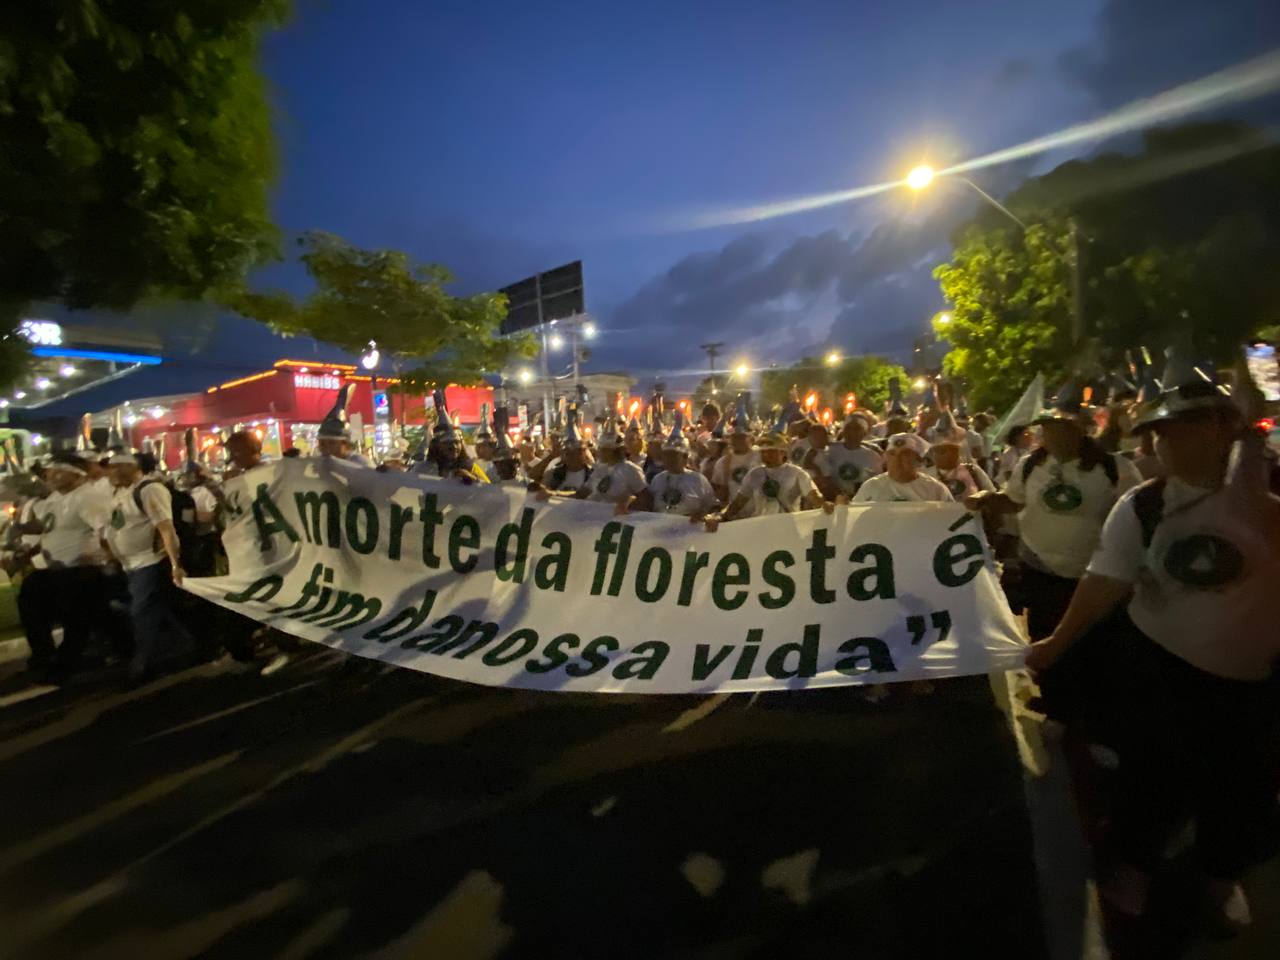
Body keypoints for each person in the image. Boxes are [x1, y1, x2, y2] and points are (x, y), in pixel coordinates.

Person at [1025, 356, 1280, 933]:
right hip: (1161, 671)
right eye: (1159, 431)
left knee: (1241, 790)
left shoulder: (1268, 497)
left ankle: (1220, 879)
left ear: (1223, 427)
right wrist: (1053, 645)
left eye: (1184, 427)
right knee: (1151, 778)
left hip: (1252, 682)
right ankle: (1133, 869)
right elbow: (1102, 586)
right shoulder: (1143, 507)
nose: (1168, 441)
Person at [966, 381, 1141, 643]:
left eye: (1060, 429)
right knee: (1044, 641)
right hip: (1041, 574)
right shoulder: (1030, 465)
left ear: (1080, 431)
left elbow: (1136, 518)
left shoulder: (1116, 469)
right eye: (1047, 430)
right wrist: (988, 498)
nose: (1052, 436)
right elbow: (1013, 501)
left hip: (1094, 577)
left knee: (1094, 644)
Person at [14, 454, 116, 681]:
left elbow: (106, 530)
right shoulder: (54, 499)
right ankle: (44, 654)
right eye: (49, 471)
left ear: (75, 473)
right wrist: (25, 547)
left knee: (76, 615)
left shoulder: (88, 497)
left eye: (56, 470)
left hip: (82, 569)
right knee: (29, 598)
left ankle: (66, 663)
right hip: (55, 569)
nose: (49, 475)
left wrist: (108, 558)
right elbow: (49, 530)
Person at [102, 450, 197, 683]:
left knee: (142, 614)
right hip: (131, 565)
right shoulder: (121, 493)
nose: (111, 472)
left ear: (133, 467)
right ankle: (187, 646)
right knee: (153, 611)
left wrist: (175, 564)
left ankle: (142, 666)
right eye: (109, 468)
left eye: (117, 467)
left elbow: (166, 528)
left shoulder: (149, 490)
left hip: (150, 562)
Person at [714, 425, 828, 522]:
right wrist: (720, 517)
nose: (766, 455)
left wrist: (825, 506)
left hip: (787, 528)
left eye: (771, 451)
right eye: (763, 452)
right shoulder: (754, 474)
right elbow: (737, 504)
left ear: (782, 453)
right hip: (761, 528)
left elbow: (814, 496)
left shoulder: (797, 473)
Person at [637, 411, 719, 519]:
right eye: (667, 455)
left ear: (685, 458)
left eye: (674, 455)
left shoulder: (698, 480)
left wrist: (705, 515)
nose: (669, 459)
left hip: (689, 532)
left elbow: (715, 507)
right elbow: (647, 506)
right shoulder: (658, 479)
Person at [852, 433, 953, 502]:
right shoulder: (870, 486)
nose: (897, 459)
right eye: (892, 454)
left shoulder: (935, 490)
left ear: (919, 461)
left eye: (905, 454)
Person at [810, 411, 883, 501]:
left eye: (857, 428)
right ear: (843, 430)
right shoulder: (829, 450)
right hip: (833, 501)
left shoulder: (873, 456)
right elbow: (816, 473)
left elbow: (877, 484)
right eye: (848, 428)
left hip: (860, 502)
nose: (851, 432)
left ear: (864, 432)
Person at [580, 418, 647, 513]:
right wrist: (554, 494)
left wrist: (629, 505)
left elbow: (646, 499)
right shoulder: (599, 469)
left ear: (615, 451)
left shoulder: (630, 470)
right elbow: (581, 494)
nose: (600, 452)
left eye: (604, 450)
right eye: (600, 448)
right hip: (594, 519)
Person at [925, 411, 995, 500]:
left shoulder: (973, 471)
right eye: (941, 451)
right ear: (932, 453)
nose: (948, 455)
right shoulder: (928, 477)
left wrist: (978, 497)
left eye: (953, 450)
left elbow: (991, 493)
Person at [711, 396, 762, 506]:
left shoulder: (761, 456)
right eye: (734, 437)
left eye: (741, 437)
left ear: (750, 438)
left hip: (759, 514)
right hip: (735, 517)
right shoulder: (723, 463)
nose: (737, 440)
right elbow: (718, 492)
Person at [315, 384, 373, 467]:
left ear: (345, 444)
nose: (326, 449)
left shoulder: (360, 464)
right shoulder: (318, 464)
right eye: (322, 444)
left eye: (332, 443)